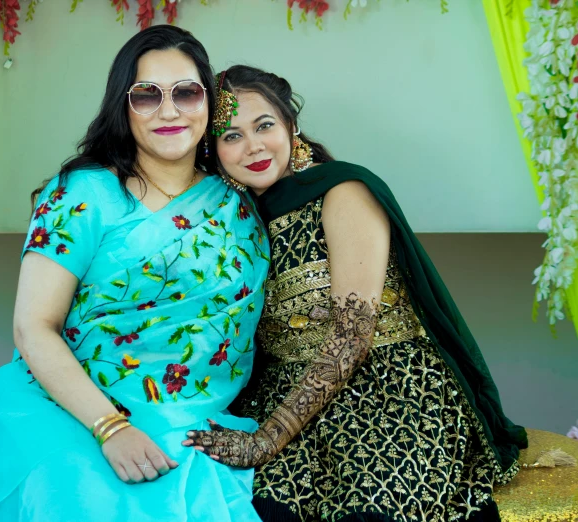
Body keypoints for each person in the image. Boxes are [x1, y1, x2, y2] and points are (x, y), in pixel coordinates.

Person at [0, 29, 270, 522]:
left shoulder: (237, 204)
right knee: (81, 501)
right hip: (69, 410)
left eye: (186, 92)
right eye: (146, 95)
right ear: (124, 105)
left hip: (191, 420)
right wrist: (110, 428)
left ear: (210, 102)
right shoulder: (83, 193)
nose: (169, 111)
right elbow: (33, 327)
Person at [183, 65, 527, 522]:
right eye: (231, 136)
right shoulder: (232, 223)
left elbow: (353, 336)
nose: (253, 147)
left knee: (368, 511)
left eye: (264, 125)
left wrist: (265, 440)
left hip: (389, 389)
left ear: (290, 125)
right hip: (286, 393)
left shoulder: (342, 190)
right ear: (213, 150)